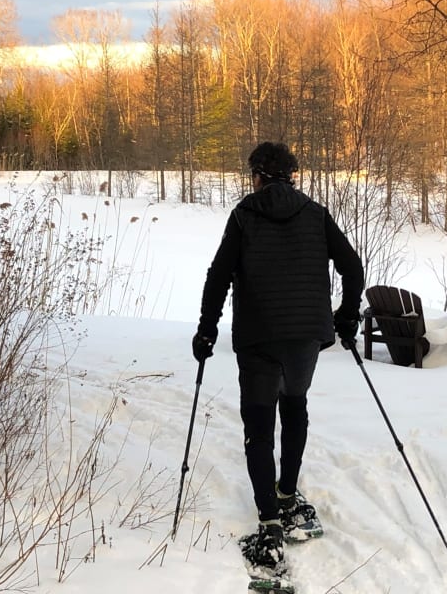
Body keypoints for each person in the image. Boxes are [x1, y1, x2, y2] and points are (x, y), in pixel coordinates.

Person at [192, 141, 364, 579]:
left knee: (258, 424)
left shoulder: (245, 215)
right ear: (292, 175)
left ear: (257, 176)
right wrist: (345, 318)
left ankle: (269, 519)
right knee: (295, 405)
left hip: (258, 338)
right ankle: (287, 493)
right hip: (306, 337)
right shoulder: (315, 213)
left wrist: (207, 328)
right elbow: (353, 268)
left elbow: (218, 276)